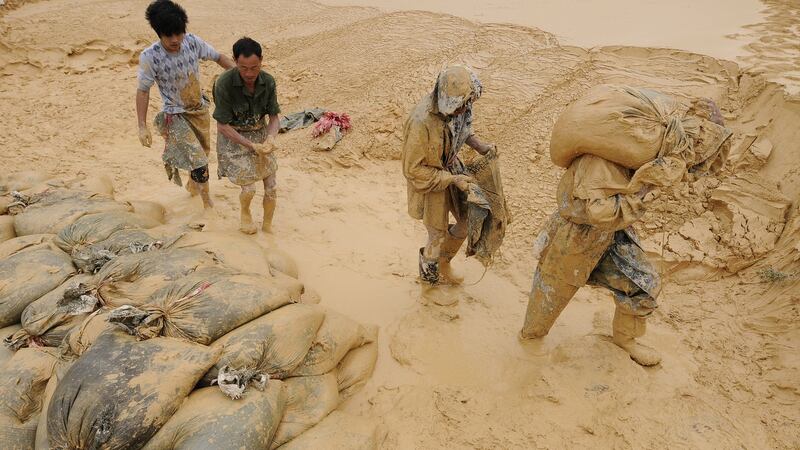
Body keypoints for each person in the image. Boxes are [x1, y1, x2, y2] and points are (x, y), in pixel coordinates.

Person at [519, 97, 731, 367]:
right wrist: (642, 199)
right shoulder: (603, 161)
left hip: (614, 232)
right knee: (552, 292)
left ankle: (625, 338)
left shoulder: (645, 151)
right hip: (575, 234)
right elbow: (597, 210)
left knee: (644, 283)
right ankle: (530, 340)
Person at [135, 0, 234, 210]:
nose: (175, 39)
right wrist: (142, 126)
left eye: (178, 33)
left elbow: (218, 57)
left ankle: (194, 183)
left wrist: (240, 75)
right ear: (158, 33)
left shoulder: (192, 42)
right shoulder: (150, 57)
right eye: (169, 35)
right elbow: (143, 91)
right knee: (199, 160)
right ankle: (208, 206)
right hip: (175, 116)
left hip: (199, 111)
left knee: (202, 154)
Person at [401, 65, 495, 287]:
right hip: (431, 178)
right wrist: (452, 180)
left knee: (467, 219)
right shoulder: (420, 122)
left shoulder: (462, 104)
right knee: (437, 234)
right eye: (459, 107)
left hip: (452, 167)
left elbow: (462, 129)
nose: (463, 110)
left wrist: (480, 146)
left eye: (466, 105)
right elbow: (413, 170)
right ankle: (429, 281)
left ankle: (444, 262)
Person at [212, 37, 281, 234]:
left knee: (271, 187)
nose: (249, 73)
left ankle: (268, 227)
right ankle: (245, 212)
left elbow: (274, 117)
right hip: (233, 136)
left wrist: (270, 138)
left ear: (261, 60)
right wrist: (250, 146)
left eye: (254, 67)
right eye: (243, 68)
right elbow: (222, 126)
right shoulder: (224, 83)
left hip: (259, 132)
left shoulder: (268, 81)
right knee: (249, 189)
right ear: (234, 61)